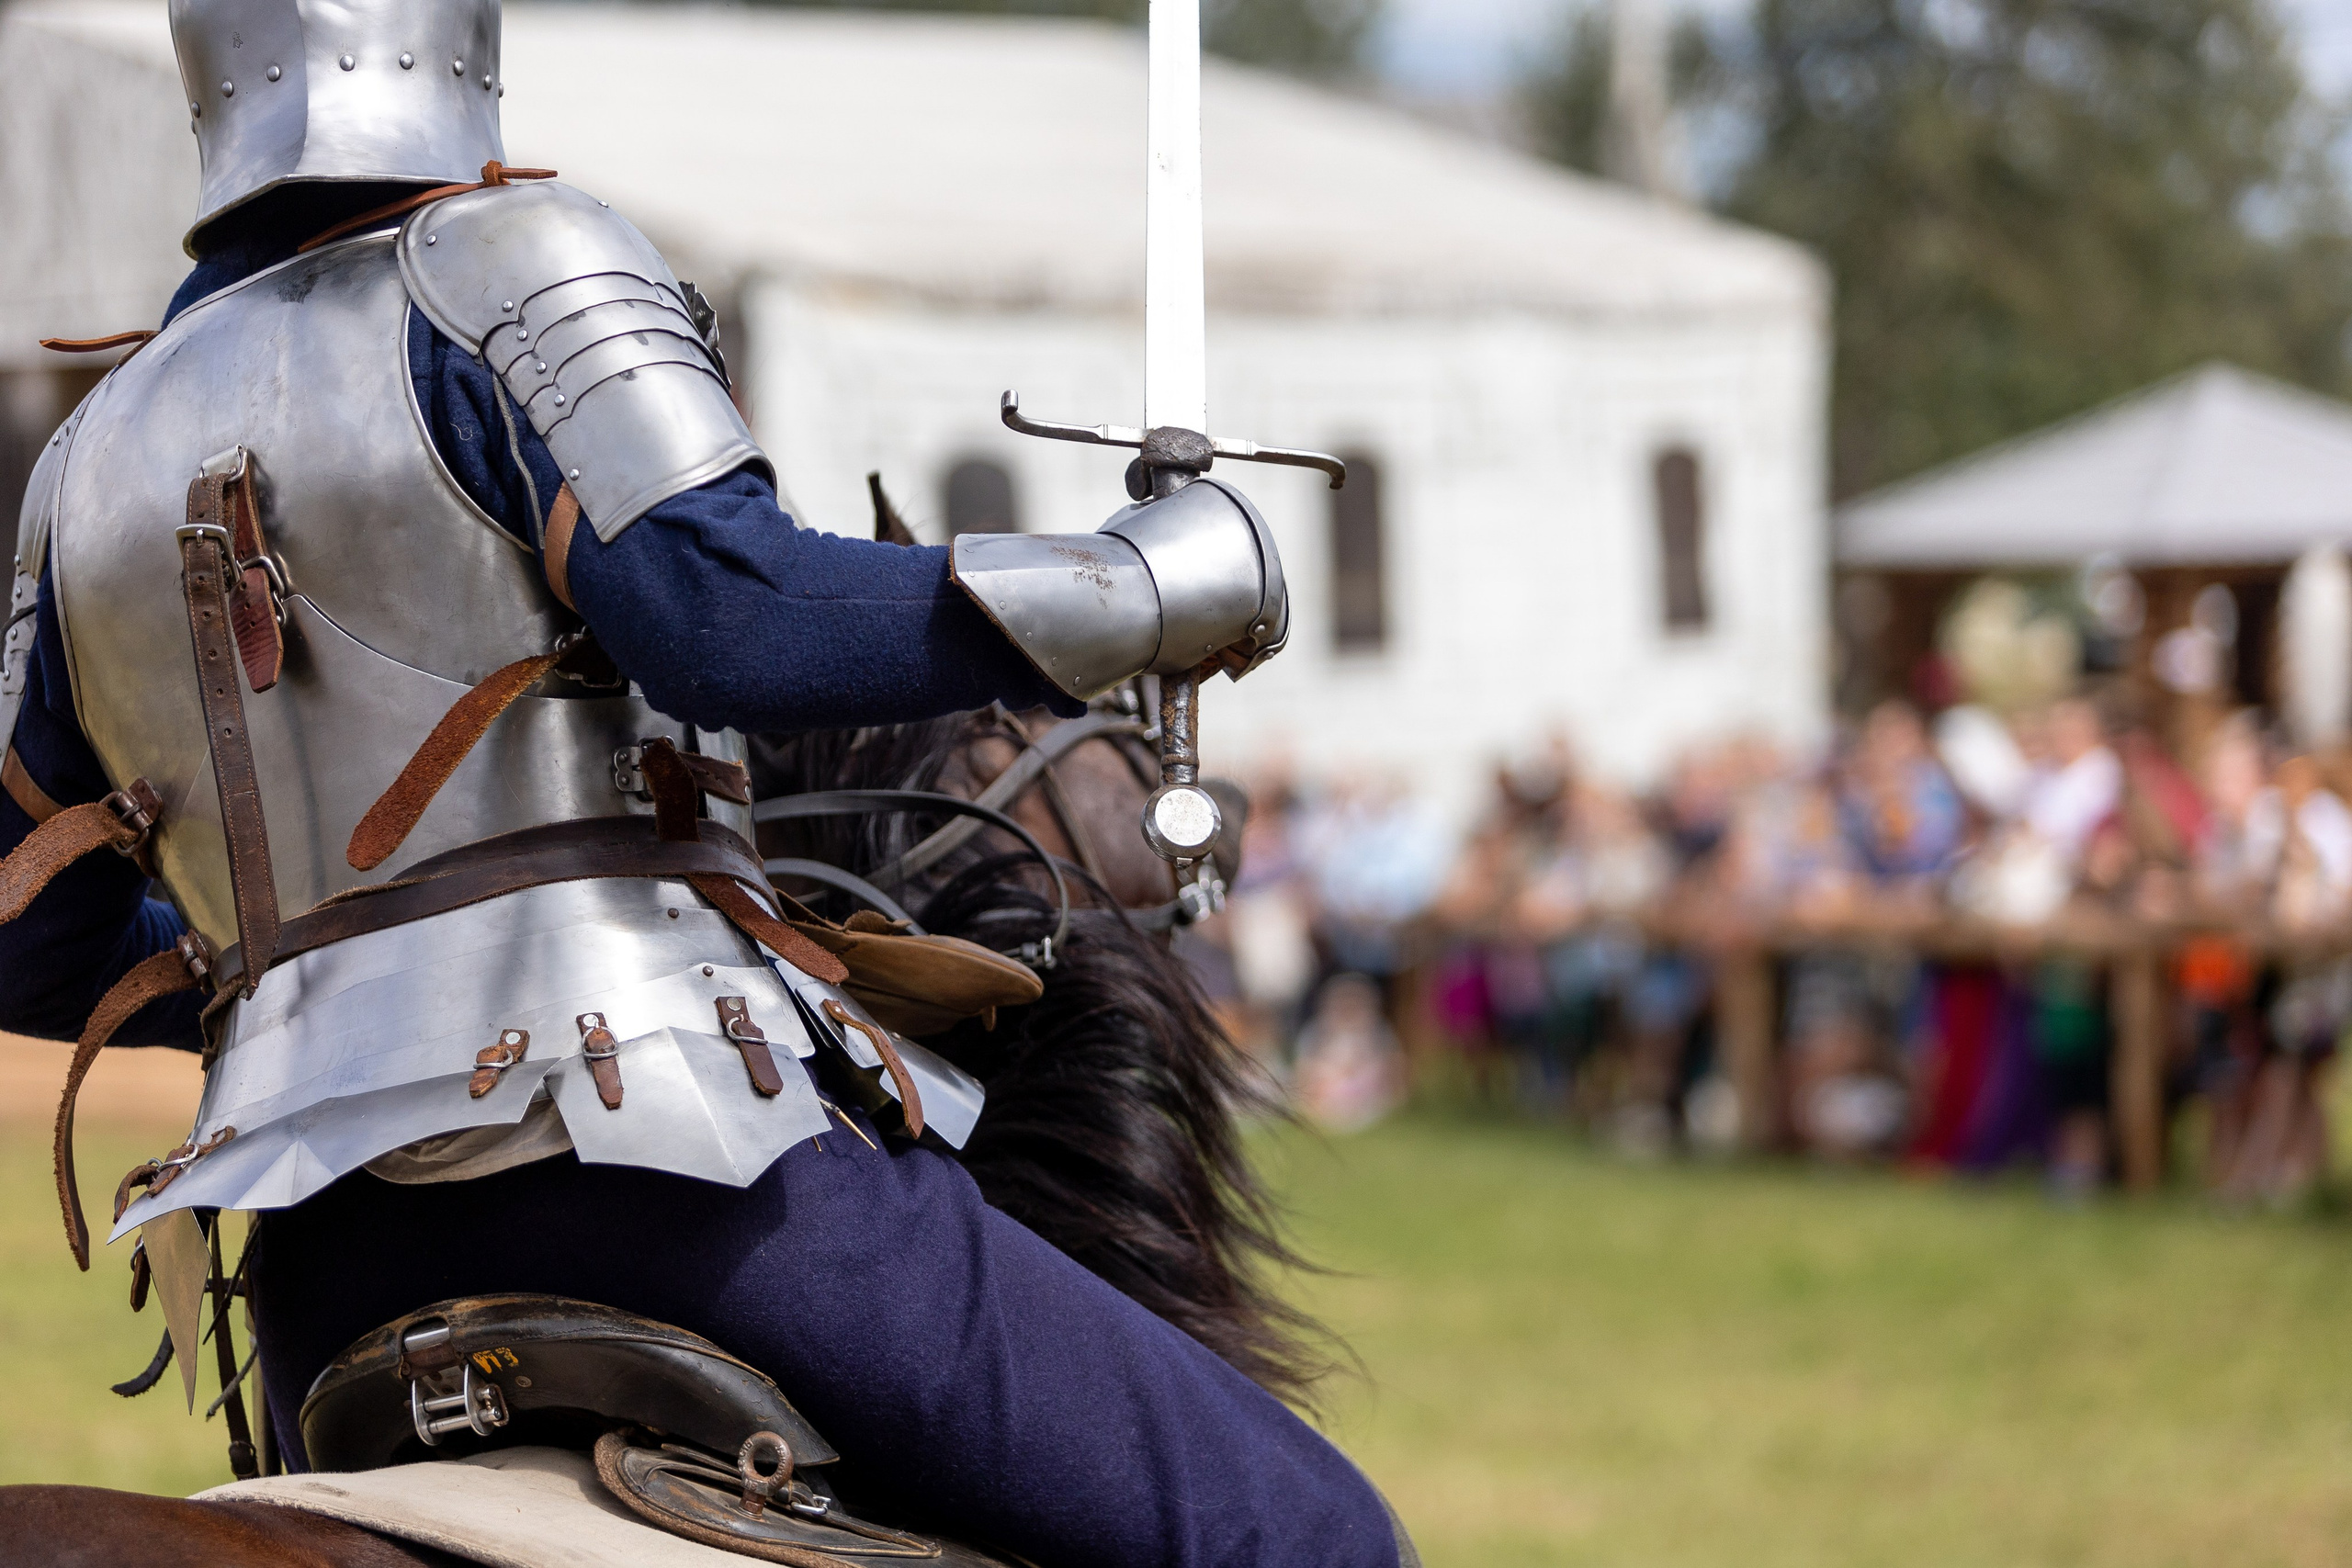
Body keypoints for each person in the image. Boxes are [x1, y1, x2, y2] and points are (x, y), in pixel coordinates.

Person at [0, 4, 1407, 1564]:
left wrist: (296, 977)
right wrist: (1140, 582)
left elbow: (31, 941)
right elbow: (732, 620)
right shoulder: (506, 263)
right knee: (1312, 1535)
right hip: (670, 1168)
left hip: (326, 1260)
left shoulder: (88, 455)